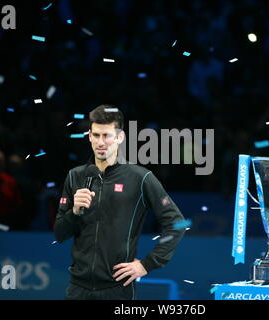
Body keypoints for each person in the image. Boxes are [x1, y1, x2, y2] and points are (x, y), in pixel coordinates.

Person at [54, 105, 186, 300]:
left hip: (117, 290)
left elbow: (177, 224)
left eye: (106, 135)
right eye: (96, 135)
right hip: (77, 288)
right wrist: (74, 212)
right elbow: (59, 233)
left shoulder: (140, 178)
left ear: (119, 137)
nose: (101, 142)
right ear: (89, 136)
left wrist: (146, 264)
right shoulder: (75, 176)